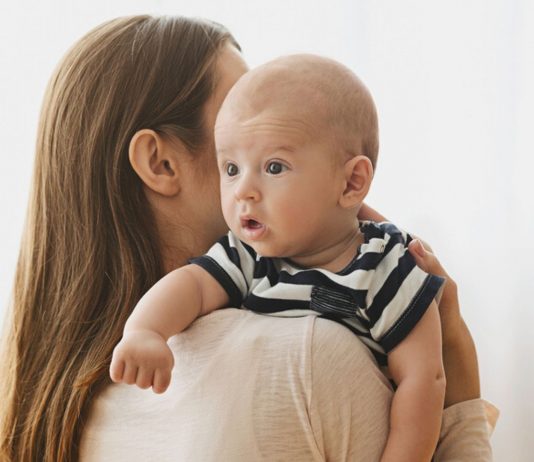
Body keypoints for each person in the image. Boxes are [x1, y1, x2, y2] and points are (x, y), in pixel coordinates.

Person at [0, 15, 497, 462]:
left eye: (276, 159)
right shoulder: (306, 356)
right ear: (161, 163)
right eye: (231, 153)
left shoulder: (49, 401)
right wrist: (460, 387)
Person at [110, 54, 446, 462]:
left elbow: (422, 380)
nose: (243, 191)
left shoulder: (386, 263)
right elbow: (192, 286)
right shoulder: (251, 255)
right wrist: (145, 331)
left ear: (352, 181)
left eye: (273, 166)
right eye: (231, 168)